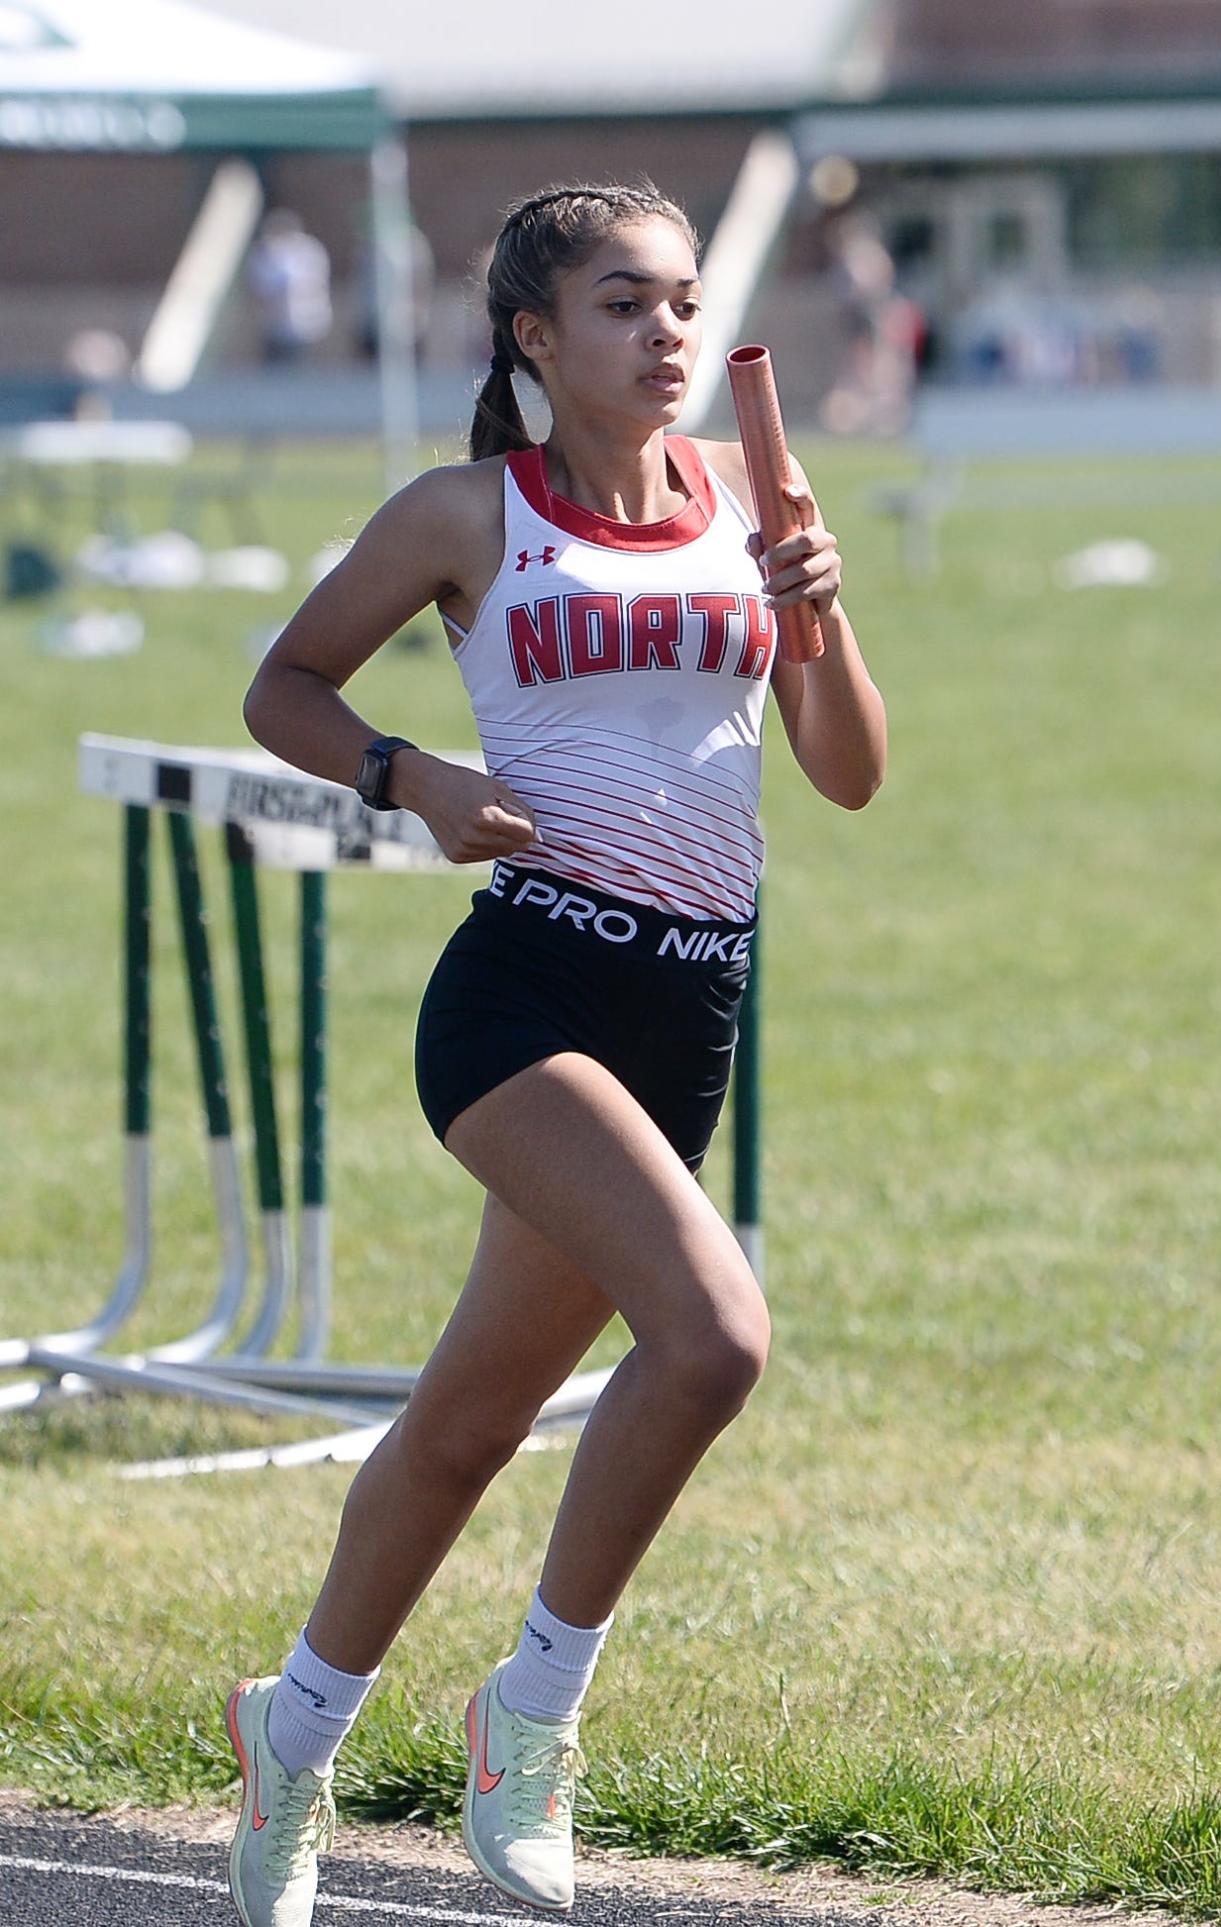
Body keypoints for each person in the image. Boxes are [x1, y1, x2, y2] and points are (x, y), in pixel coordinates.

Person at [229, 181, 886, 1927]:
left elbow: (847, 770)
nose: (666, 330)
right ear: (535, 336)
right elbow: (283, 683)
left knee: (463, 1424)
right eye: (620, 303)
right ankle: (529, 1714)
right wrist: (413, 779)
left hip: (690, 1012)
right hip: (524, 997)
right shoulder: (465, 512)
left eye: (680, 300)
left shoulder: (753, 498)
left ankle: (289, 1731)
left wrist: (812, 607)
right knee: (714, 1333)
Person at [247, 209, 333, 365]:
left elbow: (307, 281)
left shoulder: (307, 250)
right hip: (275, 324)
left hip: (305, 321)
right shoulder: (266, 252)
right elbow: (263, 287)